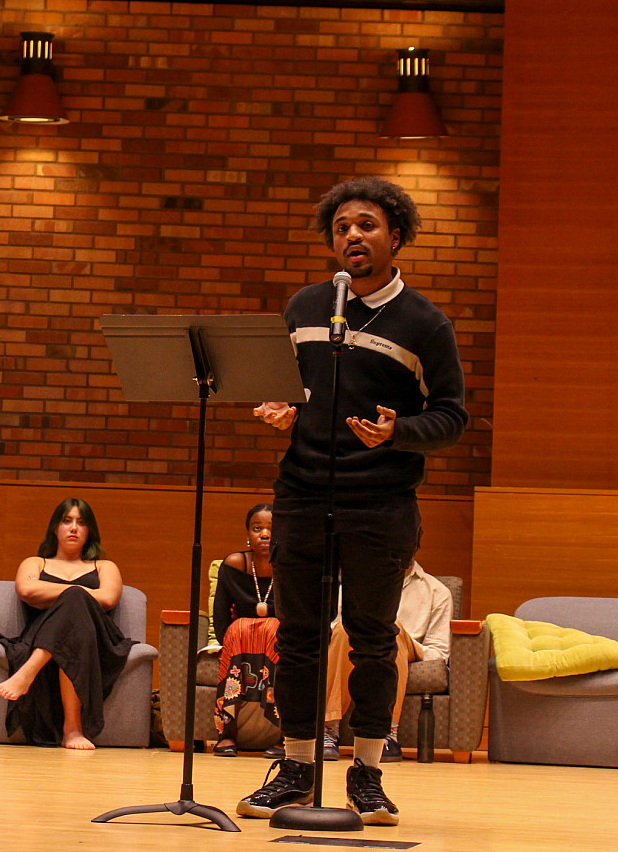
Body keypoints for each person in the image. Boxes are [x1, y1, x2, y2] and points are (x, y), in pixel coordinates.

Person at [237, 175, 468, 825]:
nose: (353, 236)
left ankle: (367, 772)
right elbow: (285, 386)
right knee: (299, 639)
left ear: (396, 236)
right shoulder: (307, 306)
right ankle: (296, 767)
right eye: (342, 228)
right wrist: (280, 410)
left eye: (366, 225)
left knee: (372, 641)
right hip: (302, 494)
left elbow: (452, 416)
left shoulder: (425, 322)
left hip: (380, 502)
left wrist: (400, 431)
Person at [0, 497, 133, 750]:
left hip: (95, 640)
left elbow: (108, 597)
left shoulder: (104, 566)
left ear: (89, 531)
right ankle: (72, 730)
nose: (74, 528)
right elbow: (26, 589)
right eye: (67, 521)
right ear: (55, 528)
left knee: (75, 602)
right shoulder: (35, 563)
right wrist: (78, 592)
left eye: (81, 522)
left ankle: (26, 673)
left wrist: (66, 593)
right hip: (42, 634)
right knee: (74, 600)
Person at [323, 559, 452, 762]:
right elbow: (332, 630)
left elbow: (439, 652)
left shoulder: (437, 591)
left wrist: (399, 636)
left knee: (391, 631)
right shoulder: (355, 583)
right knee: (343, 628)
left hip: (407, 646)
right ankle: (327, 729)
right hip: (355, 641)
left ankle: (387, 733)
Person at [211, 502, 282, 758]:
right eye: (257, 528)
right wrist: (228, 639)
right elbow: (220, 614)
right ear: (248, 534)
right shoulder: (234, 564)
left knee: (273, 628)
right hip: (240, 642)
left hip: (278, 639)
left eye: (271, 528)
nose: (264, 534)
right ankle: (226, 733)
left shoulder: (291, 566)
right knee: (239, 628)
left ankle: (285, 736)